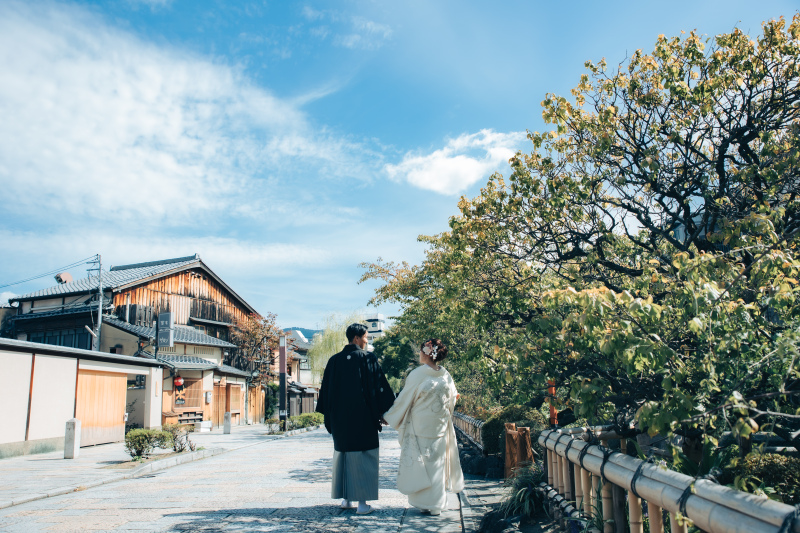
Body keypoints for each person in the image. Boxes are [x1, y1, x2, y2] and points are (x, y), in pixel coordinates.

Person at [315, 323, 396, 515]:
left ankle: (346, 499)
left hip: (340, 420)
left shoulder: (334, 360)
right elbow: (379, 388)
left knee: (344, 455)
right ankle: (362, 504)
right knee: (364, 456)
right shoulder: (368, 358)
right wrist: (383, 412)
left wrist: (331, 417)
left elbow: (326, 391)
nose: (367, 340)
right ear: (357, 338)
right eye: (366, 337)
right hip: (363, 418)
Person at [382, 338, 464, 516]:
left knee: (423, 464)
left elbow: (405, 398)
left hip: (420, 425)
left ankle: (426, 502)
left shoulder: (418, 374)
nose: (419, 353)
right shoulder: (445, 374)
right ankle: (436, 504)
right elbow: (453, 398)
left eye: (421, 350)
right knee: (437, 464)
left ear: (427, 353)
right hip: (439, 424)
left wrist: (390, 416)